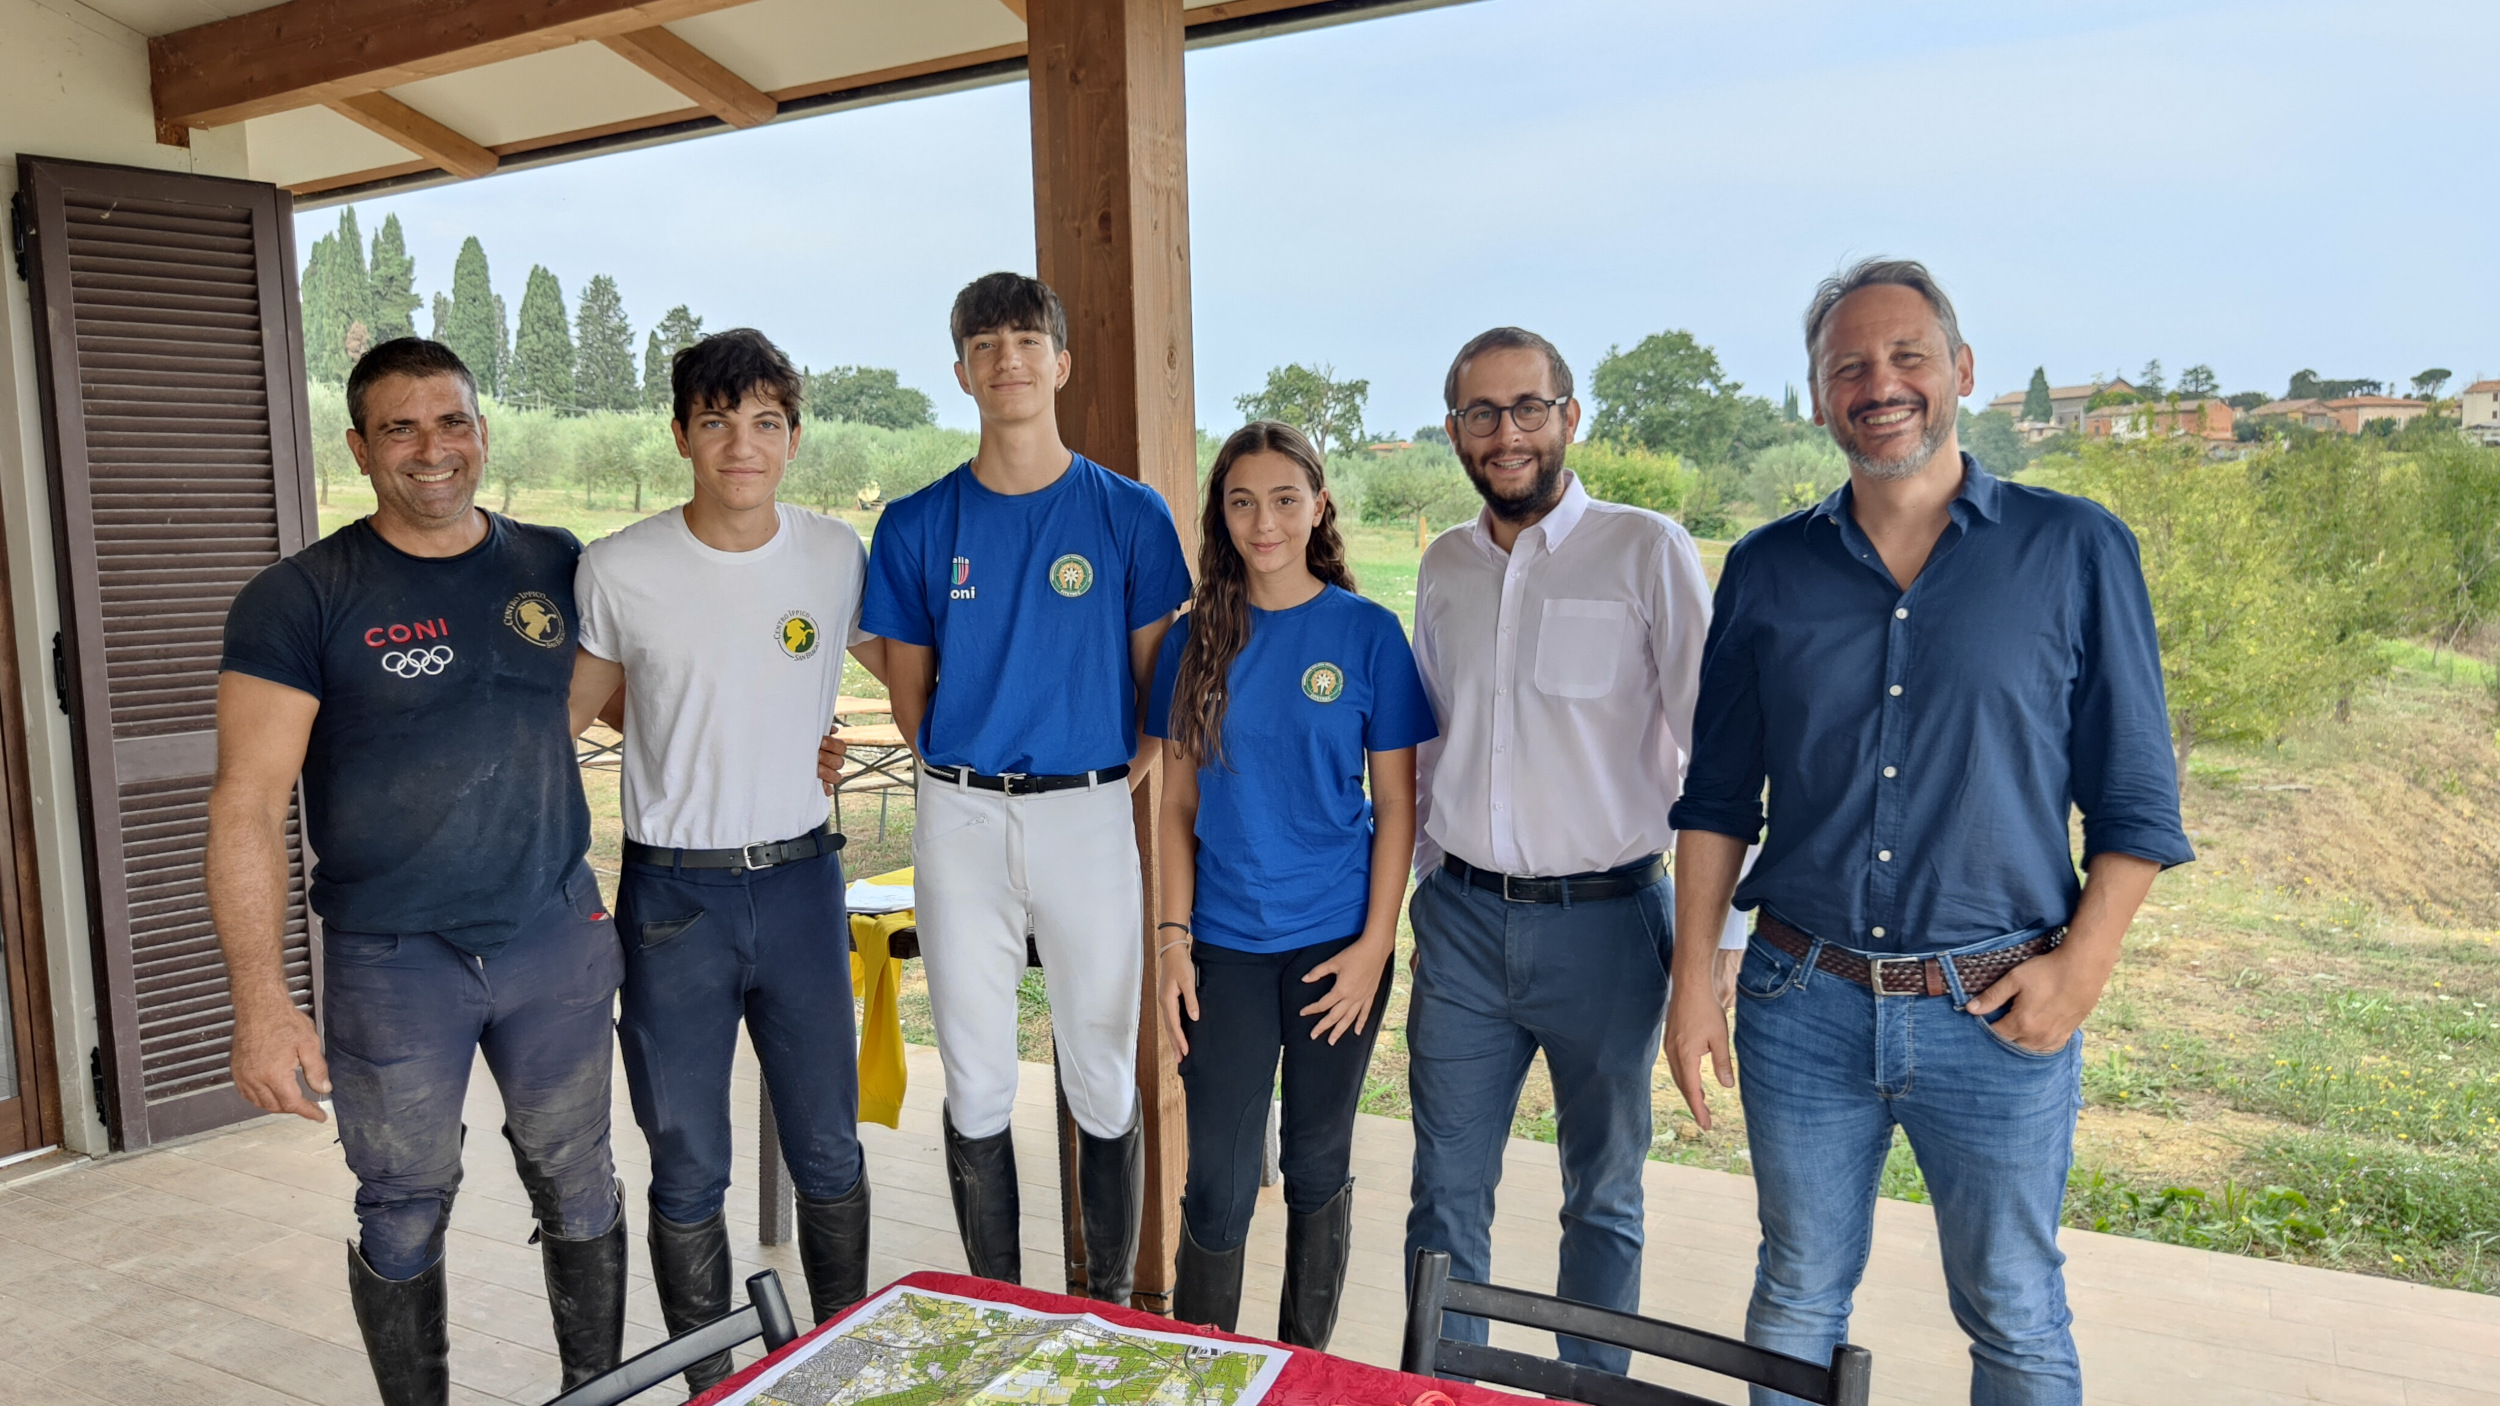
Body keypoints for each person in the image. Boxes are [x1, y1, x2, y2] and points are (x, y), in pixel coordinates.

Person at [1664, 259, 2192, 1406]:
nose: (1879, 382)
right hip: (1801, 1001)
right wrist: (1691, 975)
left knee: (2012, 1305)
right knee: (1795, 1289)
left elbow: (2137, 797)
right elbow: (1715, 796)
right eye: (1846, 364)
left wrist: (2081, 970)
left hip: (1997, 1008)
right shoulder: (1765, 568)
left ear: (1960, 371)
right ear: (1815, 397)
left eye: (1906, 355)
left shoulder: (2074, 549)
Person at [208, 339, 624, 1405]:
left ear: (481, 432)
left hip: (552, 931)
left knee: (579, 1178)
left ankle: (594, 1388)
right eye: (400, 426)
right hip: (395, 959)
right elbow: (246, 803)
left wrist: (781, 741)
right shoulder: (302, 596)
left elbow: (641, 693)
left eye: (451, 421)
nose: (431, 449)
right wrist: (261, 1002)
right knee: (401, 1199)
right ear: (359, 447)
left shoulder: (555, 561)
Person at [860, 272, 1193, 1302]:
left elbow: (1159, 687)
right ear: (959, 370)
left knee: (1101, 1062)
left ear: (1060, 361)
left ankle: (1110, 1306)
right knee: (976, 1068)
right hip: (959, 813)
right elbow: (912, 695)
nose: (1006, 358)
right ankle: (1002, 1307)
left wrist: (1099, 782)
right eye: (984, 343)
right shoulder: (918, 522)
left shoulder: (1128, 513)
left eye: (1025, 339)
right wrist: (976, 773)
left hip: (1089, 812)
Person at [565, 329, 882, 1395]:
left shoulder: (836, 554)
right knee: (688, 1160)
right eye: (715, 421)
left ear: (794, 435)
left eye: (763, 421)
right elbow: (570, 715)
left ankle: (840, 1368)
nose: (739, 443)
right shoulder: (618, 566)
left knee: (829, 1149)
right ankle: (716, 1383)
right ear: (680, 434)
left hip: (800, 883)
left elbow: (924, 674)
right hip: (673, 900)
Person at [1403, 327, 1721, 1372]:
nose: (1506, 433)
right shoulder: (1445, 564)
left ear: (1568, 417)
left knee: (1603, 1192)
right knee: (1444, 1195)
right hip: (1460, 924)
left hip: (1610, 927)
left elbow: (1715, 751)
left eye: (1527, 407)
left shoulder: (1646, 548)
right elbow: (1428, 739)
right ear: (1455, 431)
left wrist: (1716, 946)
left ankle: (1590, 1393)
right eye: (1481, 413)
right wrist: (1416, 884)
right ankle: (1443, 1393)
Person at [1147, 421, 1437, 1347]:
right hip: (1223, 947)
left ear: (1318, 505)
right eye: (1241, 501)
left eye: (1282, 498)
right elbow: (1175, 808)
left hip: (1334, 946)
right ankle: (1205, 1369)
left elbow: (1398, 806)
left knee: (1316, 1162)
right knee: (1220, 1180)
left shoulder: (1367, 636)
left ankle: (1300, 1365)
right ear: (1220, 516)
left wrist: (1373, 947)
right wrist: (1172, 940)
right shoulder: (1199, 642)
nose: (1262, 521)